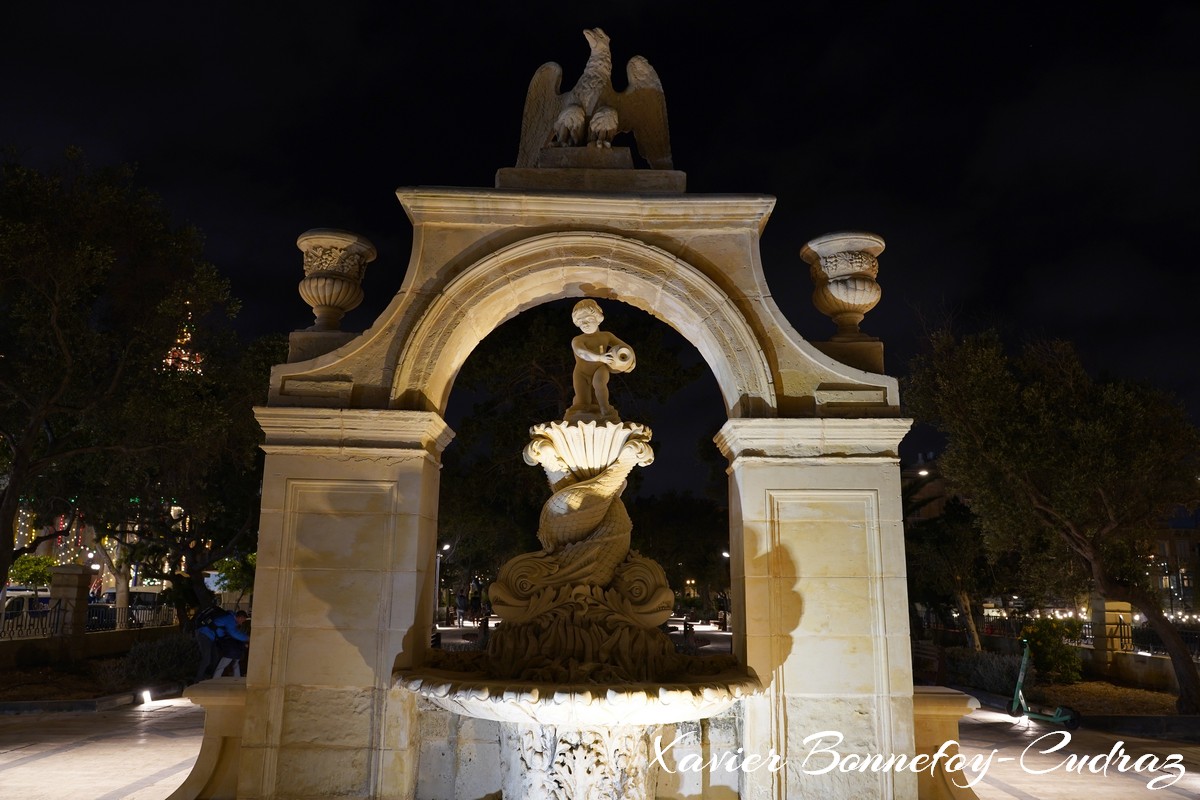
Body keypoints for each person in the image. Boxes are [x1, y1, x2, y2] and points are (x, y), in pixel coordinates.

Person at [567, 299, 636, 421]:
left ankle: (605, 409)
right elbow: (582, 353)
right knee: (583, 403)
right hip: (581, 373)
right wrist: (600, 357)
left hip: (601, 367)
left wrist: (631, 360)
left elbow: (626, 348)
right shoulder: (577, 340)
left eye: (589, 319)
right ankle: (583, 412)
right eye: (581, 322)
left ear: (598, 319)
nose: (585, 324)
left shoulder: (606, 336)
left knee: (599, 384)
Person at [195, 609, 249, 681]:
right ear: (240, 617)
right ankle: (198, 680)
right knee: (206, 659)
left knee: (216, 658)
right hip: (204, 634)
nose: (241, 623)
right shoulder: (230, 619)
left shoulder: (230, 619)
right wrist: (248, 638)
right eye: (242, 621)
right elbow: (234, 633)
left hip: (211, 637)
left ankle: (210, 677)